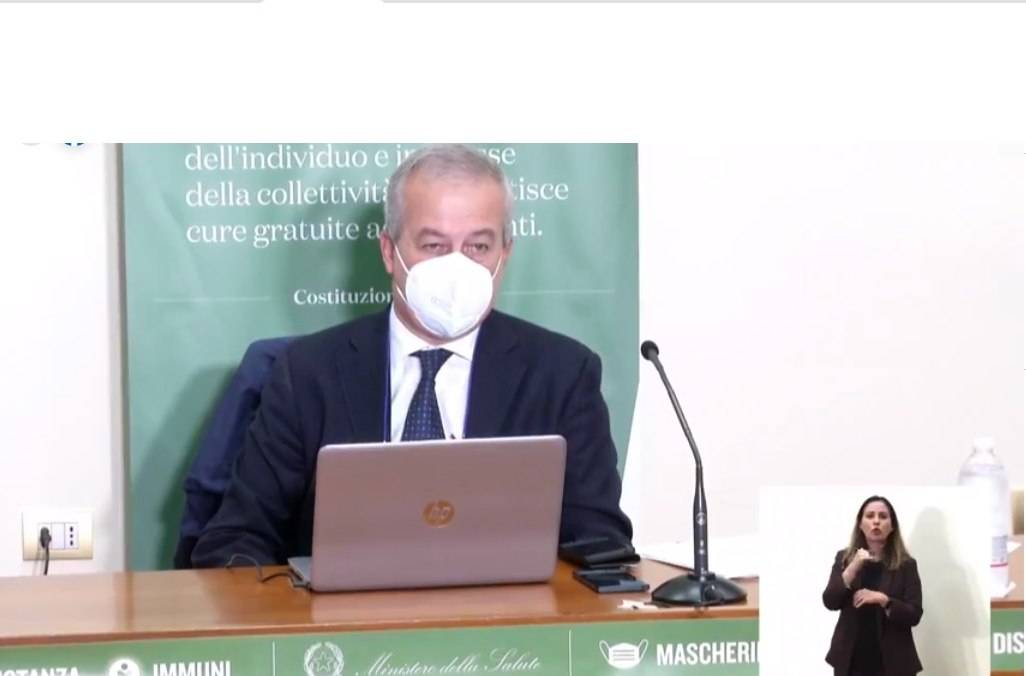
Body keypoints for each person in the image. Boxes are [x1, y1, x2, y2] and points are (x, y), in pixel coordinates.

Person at [191, 144, 632, 567]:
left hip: (507, 616)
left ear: (506, 253)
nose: (457, 267)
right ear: (389, 251)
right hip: (344, 615)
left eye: (479, 246)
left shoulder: (562, 374)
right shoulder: (307, 372)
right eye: (434, 245)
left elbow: (600, 541)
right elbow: (237, 539)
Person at [822, 495, 923, 676]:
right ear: (860, 524)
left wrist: (884, 600)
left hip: (894, 663)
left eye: (883, 516)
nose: (876, 521)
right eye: (870, 516)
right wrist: (853, 567)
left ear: (892, 526)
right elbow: (830, 601)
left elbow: (914, 614)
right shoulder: (844, 558)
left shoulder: (906, 565)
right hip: (851, 661)